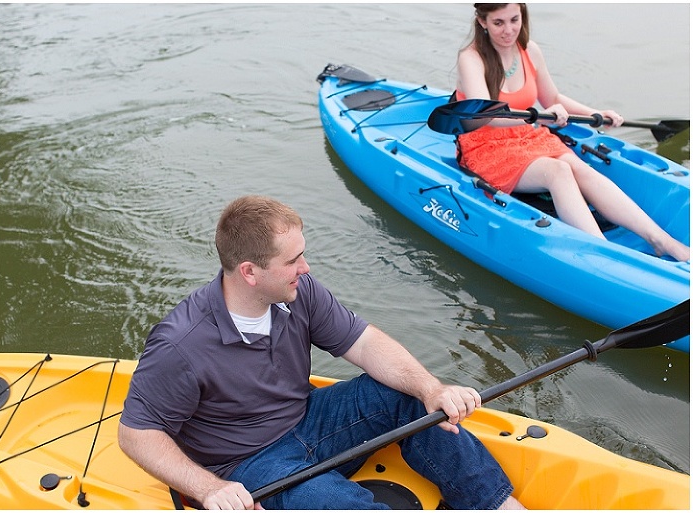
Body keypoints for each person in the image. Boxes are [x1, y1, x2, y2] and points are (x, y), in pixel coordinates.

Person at [119, 195, 525, 510]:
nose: (306, 267)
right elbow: (136, 434)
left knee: (405, 394)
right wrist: (211, 489)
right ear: (249, 272)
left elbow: (365, 343)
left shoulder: (298, 292)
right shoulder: (179, 344)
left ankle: (497, 503)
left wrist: (431, 388)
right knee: (330, 503)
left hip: (310, 419)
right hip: (248, 464)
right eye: (293, 260)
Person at [455, 3, 689, 262]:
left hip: (527, 135)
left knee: (580, 169)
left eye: (514, 19)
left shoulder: (530, 51)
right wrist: (542, 117)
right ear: (482, 21)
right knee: (558, 171)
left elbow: (552, 97)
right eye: (499, 23)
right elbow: (484, 115)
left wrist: (596, 114)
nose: (509, 30)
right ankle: (606, 253)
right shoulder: (471, 58)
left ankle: (659, 239)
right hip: (485, 144)